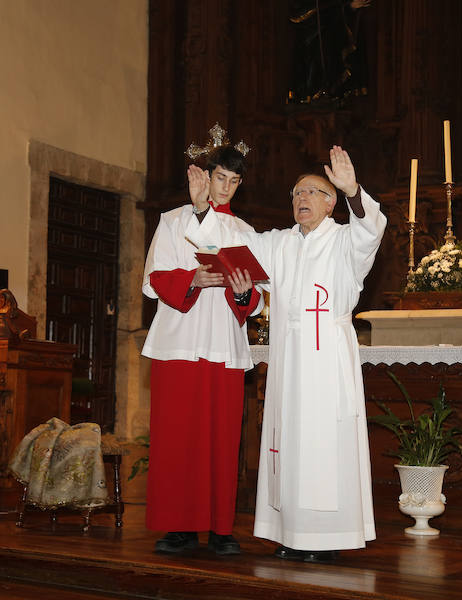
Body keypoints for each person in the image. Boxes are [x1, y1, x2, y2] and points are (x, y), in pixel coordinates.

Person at [242, 145, 386, 562]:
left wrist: (354, 190)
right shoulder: (279, 244)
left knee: (324, 442)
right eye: (294, 194)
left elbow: (371, 229)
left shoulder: (344, 240)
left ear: (330, 202)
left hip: (326, 361)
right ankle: (291, 533)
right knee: (288, 441)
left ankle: (327, 538)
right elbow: (239, 242)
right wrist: (209, 203)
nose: (300, 199)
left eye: (310, 192)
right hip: (288, 361)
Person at [141, 145, 261, 556]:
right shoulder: (173, 221)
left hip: (224, 343)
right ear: (205, 176)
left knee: (222, 439)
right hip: (179, 341)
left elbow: (257, 297)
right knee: (177, 437)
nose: (226, 187)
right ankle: (179, 527)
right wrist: (192, 280)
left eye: (234, 181)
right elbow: (156, 276)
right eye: (220, 177)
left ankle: (220, 528)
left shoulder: (246, 232)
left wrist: (245, 295)